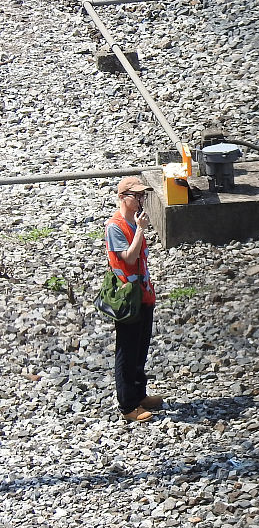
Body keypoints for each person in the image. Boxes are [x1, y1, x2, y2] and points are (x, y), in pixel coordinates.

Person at [105, 176, 160, 423]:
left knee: (141, 347)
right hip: (127, 297)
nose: (140, 200)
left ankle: (139, 394)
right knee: (127, 350)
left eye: (142, 196)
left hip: (142, 293)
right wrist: (140, 230)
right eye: (136, 196)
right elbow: (128, 257)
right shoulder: (115, 226)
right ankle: (128, 404)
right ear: (122, 197)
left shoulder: (132, 221)